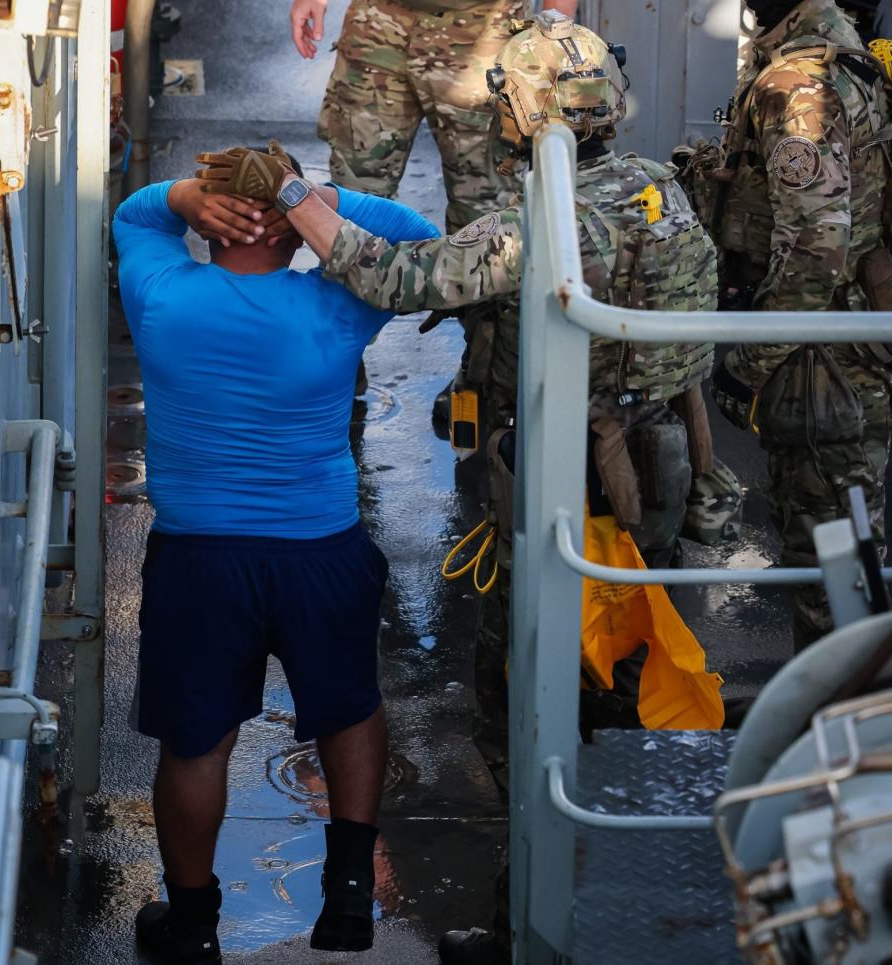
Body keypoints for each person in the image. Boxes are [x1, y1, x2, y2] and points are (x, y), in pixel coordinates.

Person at [193, 13, 726, 963]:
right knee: (635, 673)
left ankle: (545, 922)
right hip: (660, 466)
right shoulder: (657, 189)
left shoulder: (533, 224)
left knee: (529, 692)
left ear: (522, 112)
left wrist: (292, 193)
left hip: (572, 482)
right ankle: (628, 901)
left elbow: (396, 277)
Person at [112, 149, 439, 963]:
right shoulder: (338, 301)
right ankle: (349, 901)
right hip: (319, 551)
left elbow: (135, 216)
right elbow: (416, 237)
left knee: (196, 742)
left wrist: (184, 195)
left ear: (212, 222)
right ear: (293, 232)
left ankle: (191, 926)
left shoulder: (161, 297)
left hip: (200, 557)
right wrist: (313, 198)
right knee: (349, 707)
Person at [703, 0, 892, 651]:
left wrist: (746, 365)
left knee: (830, 578)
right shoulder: (852, 61)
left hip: (823, 367)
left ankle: (841, 739)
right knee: (853, 557)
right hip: (856, 342)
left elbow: (815, 250)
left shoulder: (798, 83)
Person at [290, 0, 577, 404]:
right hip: (379, 22)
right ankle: (339, 371)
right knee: (352, 201)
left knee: (488, 222)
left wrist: (556, 27)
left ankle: (485, 384)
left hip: (484, 30)